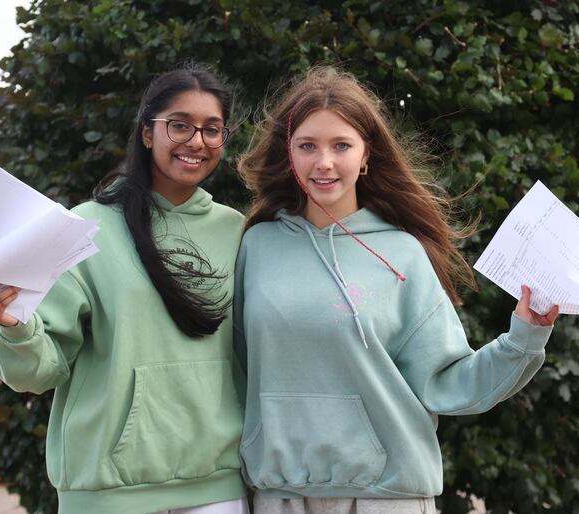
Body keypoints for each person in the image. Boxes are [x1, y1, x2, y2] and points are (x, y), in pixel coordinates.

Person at [234, 66, 559, 514]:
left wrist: (524, 337)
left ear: (366, 156)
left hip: (387, 497)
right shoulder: (256, 246)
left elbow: (447, 382)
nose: (323, 162)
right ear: (288, 154)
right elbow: (232, 370)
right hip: (280, 494)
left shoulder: (402, 254)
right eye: (307, 145)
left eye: (341, 145)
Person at [0, 64, 248, 514]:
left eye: (211, 130)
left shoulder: (237, 231)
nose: (196, 141)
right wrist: (13, 326)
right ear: (146, 133)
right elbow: (37, 372)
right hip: (108, 494)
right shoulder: (86, 229)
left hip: (216, 489)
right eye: (179, 125)